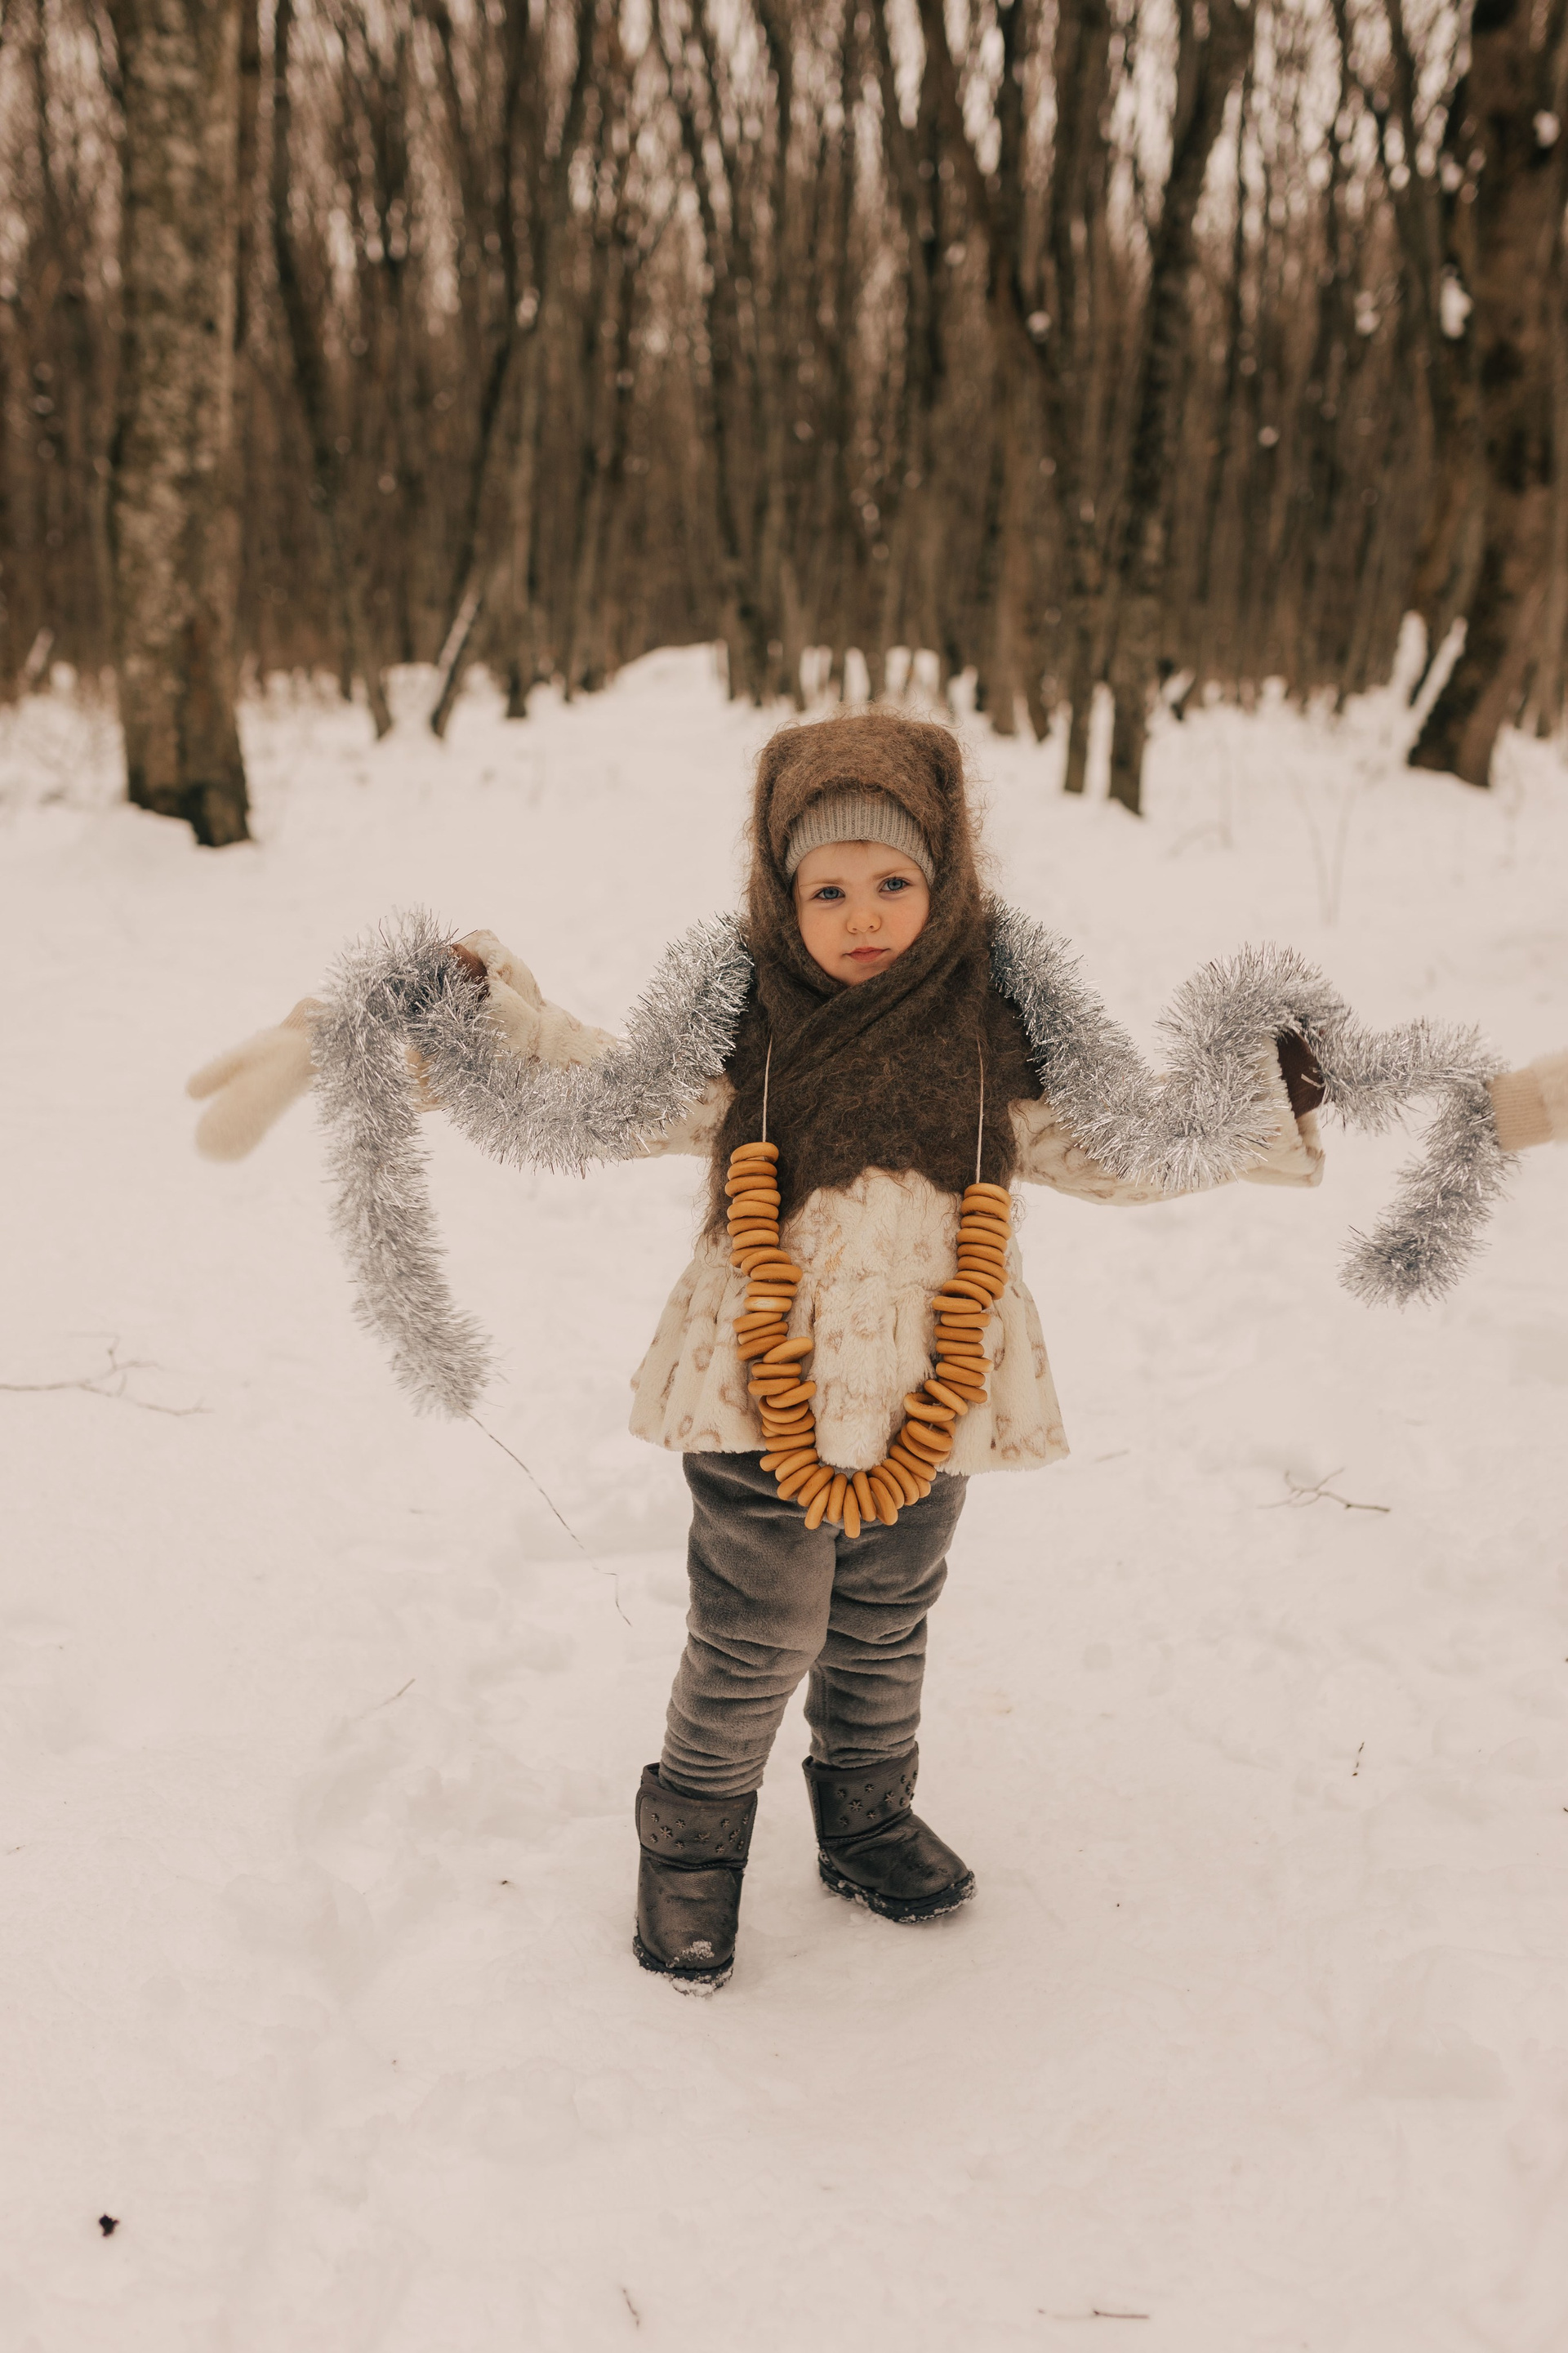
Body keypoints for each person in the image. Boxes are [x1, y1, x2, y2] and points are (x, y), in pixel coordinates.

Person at [189, 711, 1568, 1994]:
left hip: (930, 1389)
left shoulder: (999, 1036)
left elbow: (1132, 1144)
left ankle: (864, 1813)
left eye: (894, 884)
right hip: (760, 1385)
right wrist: (441, 1006)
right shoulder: (742, 1027)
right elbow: (592, 1086)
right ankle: (691, 1838)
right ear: (781, 894)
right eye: (829, 889)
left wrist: (1317, 1089)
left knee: (888, 1616)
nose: (862, 917)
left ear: (947, 880)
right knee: (757, 1629)